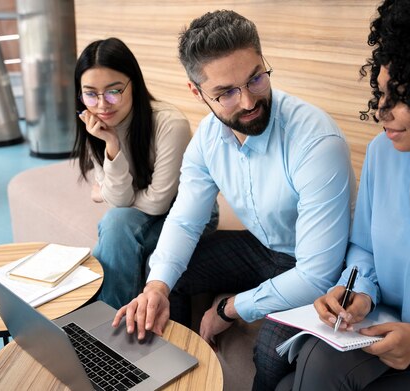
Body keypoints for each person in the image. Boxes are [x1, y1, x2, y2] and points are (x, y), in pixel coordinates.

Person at [113, 10, 356, 389]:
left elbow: (315, 275)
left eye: (255, 78)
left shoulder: (316, 142)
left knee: (270, 352)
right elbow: (184, 221)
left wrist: (230, 308)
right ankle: (169, 378)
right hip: (261, 248)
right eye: (225, 92)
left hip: (317, 264)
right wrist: (156, 287)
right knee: (164, 276)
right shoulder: (208, 140)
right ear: (197, 92)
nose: (247, 101)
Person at [277, 0, 410, 390]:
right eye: (380, 92)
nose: (381, 111)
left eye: (403, 98)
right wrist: (357, 291)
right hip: (387, 329)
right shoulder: (384, 153)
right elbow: (365, 249)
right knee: (311, 362)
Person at [73, 37, 193, 309]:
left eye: (113, 91)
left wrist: (104, 191)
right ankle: (115, 323)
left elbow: (158, 202)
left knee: (116, 223)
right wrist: (112, 145)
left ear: (133, 85)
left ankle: (106, 323)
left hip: (185, 211)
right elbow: (120, 204)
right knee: (117, 221)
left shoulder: (170, 124)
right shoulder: (94, 125)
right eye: (90, 94)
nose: (102, 104)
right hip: (133, 213)